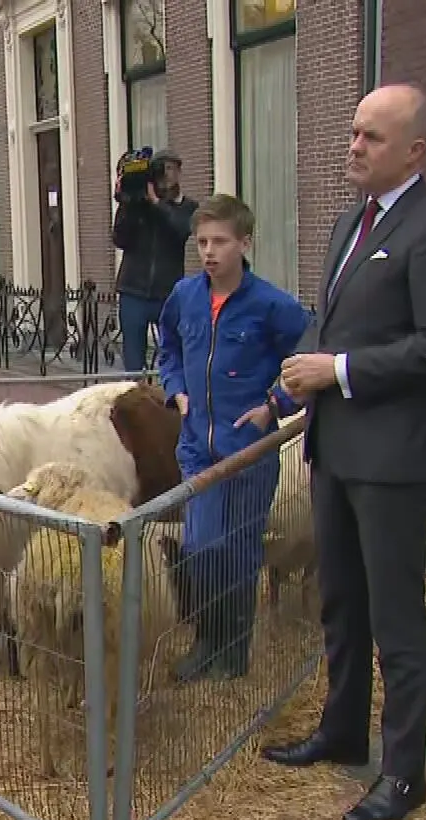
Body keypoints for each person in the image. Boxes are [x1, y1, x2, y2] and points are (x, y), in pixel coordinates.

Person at [264, 84, 426, 820]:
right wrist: (294, 375)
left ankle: (404, 774)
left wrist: (340, 371)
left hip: (393, 459)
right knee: (341, 601)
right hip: (335, 448)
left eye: (372, 137)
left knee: (395, 616)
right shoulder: (351, 221)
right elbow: (330, 321)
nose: (354, 146)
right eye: (354, 132)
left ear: (414, 151)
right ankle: (342, 728)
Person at [154, 195, 309, 682]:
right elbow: (168, 346)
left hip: (248, 451)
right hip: (198, 449)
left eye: (219, 242)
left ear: (244, 243)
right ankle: (207, 642)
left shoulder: (273, 306)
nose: (208, 252)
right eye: (201, 242)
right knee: (200, 547)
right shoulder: (184, 296)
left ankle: (234, 653)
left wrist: (275, 406)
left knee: (239, 550)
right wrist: (176, 391)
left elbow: (309, 358)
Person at [112, 149, 197, 373]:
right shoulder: (139, 207)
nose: (166, 175)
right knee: (133, 364)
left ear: (179, 172)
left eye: (170, 168)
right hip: (133, 292)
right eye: (161, 169)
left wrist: (157, 203)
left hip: (167, 294)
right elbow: (120, 239)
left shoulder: (187, 207)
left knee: (174, 356)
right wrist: (127, 204)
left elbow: (181, 230)